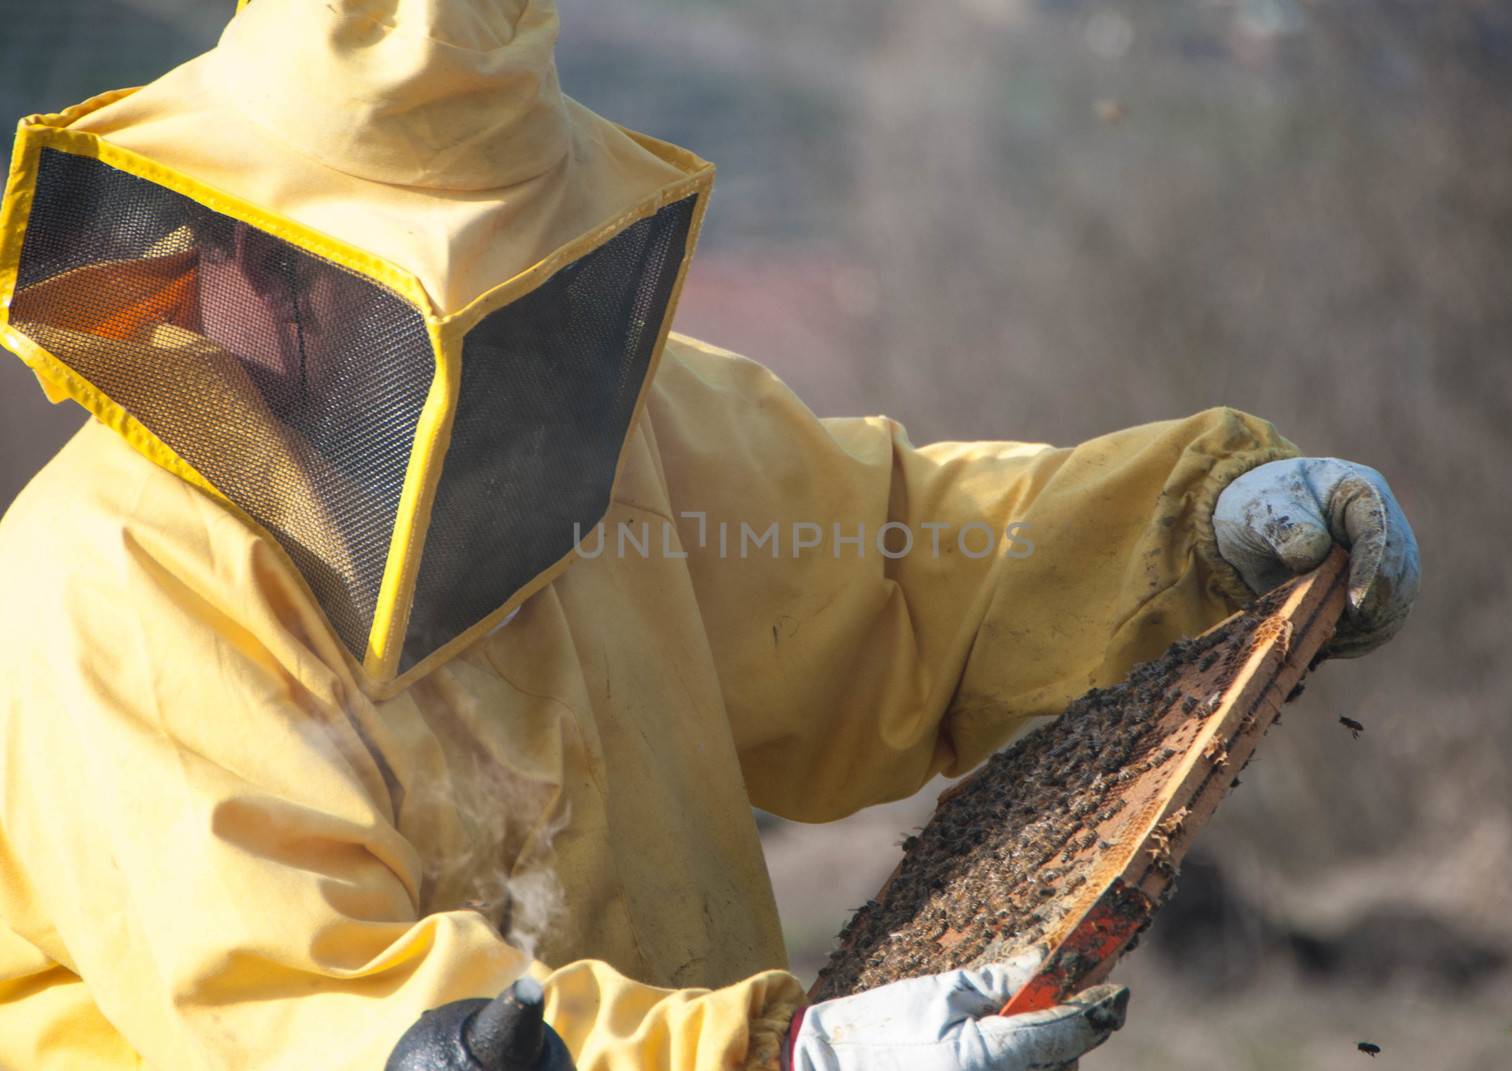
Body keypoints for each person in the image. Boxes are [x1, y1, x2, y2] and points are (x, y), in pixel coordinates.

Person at [0, 1, 1419, 1068]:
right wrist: (777, 1058)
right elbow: (334, 1013)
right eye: (450, 292)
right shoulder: (108, 586)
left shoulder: (621, 443)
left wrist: (1196, 526)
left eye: (519, 279)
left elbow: (897, 567)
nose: (507, 343)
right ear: (254, 249)